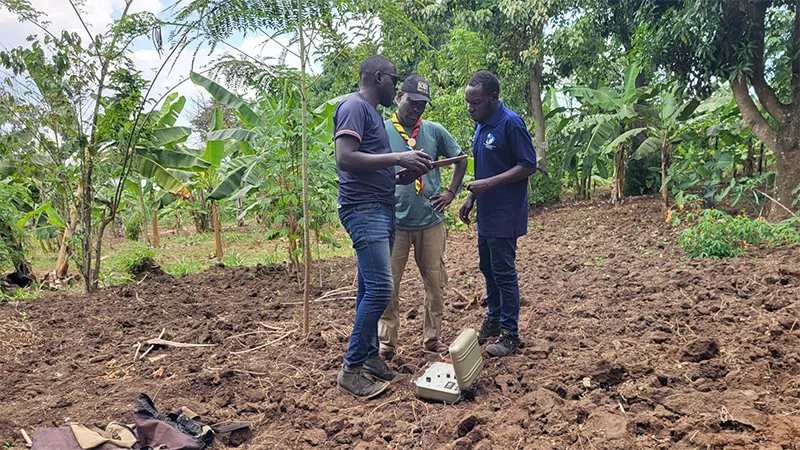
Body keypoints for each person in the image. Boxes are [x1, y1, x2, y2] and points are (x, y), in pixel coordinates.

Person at [333, 55, 434, 398]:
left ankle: (370, 357)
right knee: (379, 288)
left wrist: (399, 175)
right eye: (393, 78)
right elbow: (345, 158)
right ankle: (350, 370)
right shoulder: (354, 107)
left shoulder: (370, 113)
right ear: (378, 78)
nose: (396, 84)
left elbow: (367, 165)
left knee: (368, 287)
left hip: (379, 205)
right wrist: (398, 157)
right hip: (364, 209)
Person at [378, 75, 468, 360]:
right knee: (389, 285)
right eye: (413, 102)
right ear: (399, 97)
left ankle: (432, 338)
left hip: (431, 221)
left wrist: (451, 192)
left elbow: (460, 158)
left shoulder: (434, 130)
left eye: (423, 104)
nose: (417, 108)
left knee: (435, 283)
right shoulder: (381, 131)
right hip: (394, 223)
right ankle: (386, 343)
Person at [459, 70, 537, 357]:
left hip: (506, 212)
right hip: (486, 213)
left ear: (493, 98)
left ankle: (510, 333)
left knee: (504, 272)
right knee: (487, 268)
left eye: (476, 102)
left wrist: (489, 184)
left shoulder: (511, 124)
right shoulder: (481, 125)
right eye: (468, 102)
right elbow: (485, 169)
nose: (471, 108)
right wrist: (471, 197)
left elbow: (528, 164)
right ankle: (493, 319)